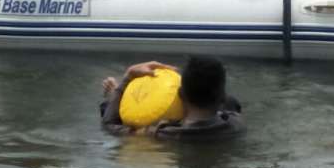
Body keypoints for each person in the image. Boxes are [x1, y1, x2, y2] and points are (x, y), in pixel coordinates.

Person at [100, 57, 244, 140]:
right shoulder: (236, 123)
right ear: (222, 97)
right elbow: (230, 103)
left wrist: (121, 87)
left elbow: (109, 125)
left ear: (179, 95)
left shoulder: (160, 134)